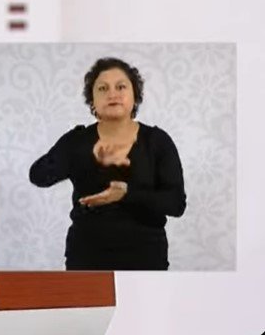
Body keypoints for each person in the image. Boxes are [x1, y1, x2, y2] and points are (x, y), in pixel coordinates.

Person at [28, 57, 187, 270]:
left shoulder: (157, 141)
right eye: (103, 88)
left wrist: (127, 193)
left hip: (146, 257)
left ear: (135, 95)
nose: (112, 94)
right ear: (92, 100)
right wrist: (81, 154)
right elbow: (38, 176)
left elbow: (176, 204)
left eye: (121, 87)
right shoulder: (77, 140)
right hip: (86, 258)